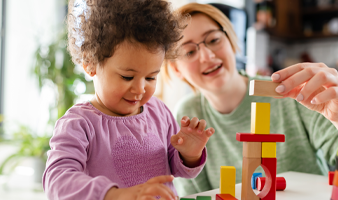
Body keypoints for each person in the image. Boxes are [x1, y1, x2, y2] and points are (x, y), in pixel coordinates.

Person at [163, 3, 338, 196]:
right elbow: (192, 196)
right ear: (175, 69)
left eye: (213, 39)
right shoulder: (187, 114)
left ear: (232, 41)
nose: (207, 55)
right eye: (189, 51)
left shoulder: (293, 94)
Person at [43, 1, 216, 200]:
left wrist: (189, 155)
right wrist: (115, 195)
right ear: (90, 63)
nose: (140, 89)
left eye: (151, 77)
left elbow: (177, 170)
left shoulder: (159, 112)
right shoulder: (78, 124)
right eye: (127, 77)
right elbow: (57, 181)